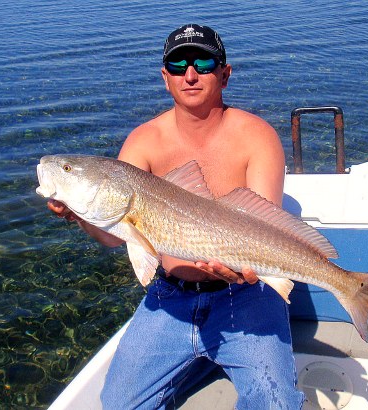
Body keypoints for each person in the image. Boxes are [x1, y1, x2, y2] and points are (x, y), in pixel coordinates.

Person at [48, 24, 304, 409]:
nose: (190, 74)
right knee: (118, 404)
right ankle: (208, 358)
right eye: (178, 63)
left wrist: (250, 270)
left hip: (246, 295)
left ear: (224, 73)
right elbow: (116, 233)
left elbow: (265, 225)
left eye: (203, 62)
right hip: (170, 297)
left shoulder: (257, 136)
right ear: (165, 77)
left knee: (276, 403)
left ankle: (213, 355)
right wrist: (81, 214)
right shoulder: (144, 141)